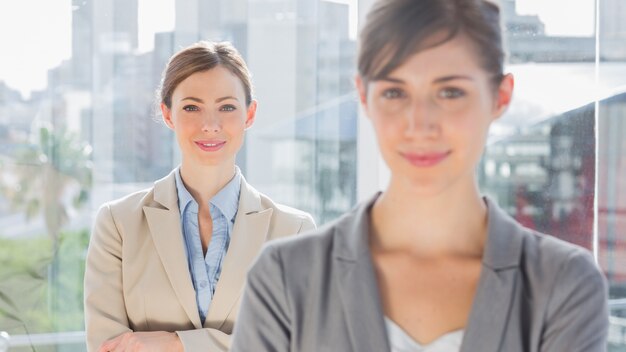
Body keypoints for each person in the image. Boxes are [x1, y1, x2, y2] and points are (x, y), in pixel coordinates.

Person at [230, 0, 609, 351]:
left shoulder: (564, 284)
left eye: (450, 93)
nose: (420, 125)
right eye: (395, 93)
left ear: (500, 96)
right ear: (364, 96)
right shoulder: (285, 278)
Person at [84, 41, 315, 352]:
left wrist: (175, 344)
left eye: (227, 107)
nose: (210, 125)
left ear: (250, 114)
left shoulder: (295, 233)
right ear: (167, 114)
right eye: (191, 107)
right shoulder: (118, 224)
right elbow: (108, 347)